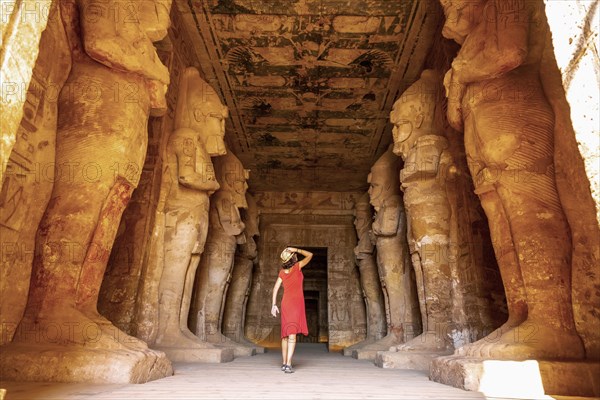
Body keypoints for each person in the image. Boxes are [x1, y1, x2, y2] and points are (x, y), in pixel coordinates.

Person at [271, 246, 313, 373]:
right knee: (292, 335)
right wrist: (297, 249)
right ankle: (288, 364)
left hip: (285, 303)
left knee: (285, 335)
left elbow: (275, 288)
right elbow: (310, 255)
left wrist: (274, 304)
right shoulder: (297, 267)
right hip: (295, 304)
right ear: (293, 257)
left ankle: (284, 363)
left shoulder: (282, 272)